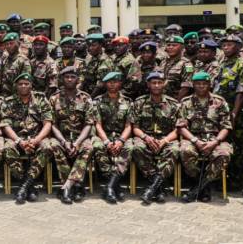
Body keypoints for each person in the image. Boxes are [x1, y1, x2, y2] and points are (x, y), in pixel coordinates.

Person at [177, 72, 233, 203]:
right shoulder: (186, 103)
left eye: (204, 84)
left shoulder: (220, 102)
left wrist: (215, 142)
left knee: (224, 154)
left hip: (216, 138)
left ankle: (198, 188)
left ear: (210, 85)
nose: (201, 86)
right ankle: (203, 185)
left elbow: (226, 126)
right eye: (198, 84)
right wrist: (195, 141)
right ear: (193, 85)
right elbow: (181, 127)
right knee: (185, 151)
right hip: (193, 138)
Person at [127, 72, 181, 205]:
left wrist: (165, 141)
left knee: (174, 149)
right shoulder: (139, 102)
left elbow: (178, 130)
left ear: (164, 84)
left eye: (159, 82)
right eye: (153, 83)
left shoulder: (173, 104)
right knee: (136, 147)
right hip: (145, 137)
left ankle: (152, 188)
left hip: (166, 138)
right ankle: (159, 187)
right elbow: (135, 128)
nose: (156, 85)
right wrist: (146, 138)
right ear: (148, 85)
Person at [0, 73, 53, 204]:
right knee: (7, 149)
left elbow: (48, 123)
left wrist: (37, 140)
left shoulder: (41, 99)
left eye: (26, 83)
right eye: (20, 84)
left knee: (47, 148)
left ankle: (24, 186)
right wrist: (19, 141)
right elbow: (5, 125)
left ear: (31, 85)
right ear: (16, 86)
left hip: (37, 136)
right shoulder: (8, 102)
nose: (23, 86)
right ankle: (29, 185)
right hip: (16, 137)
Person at [48, 67, 94, 204]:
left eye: (72, 77)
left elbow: (89, 123)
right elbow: (52, 124)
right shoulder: (54, 98)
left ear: (77, 80)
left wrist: (78, 142)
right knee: (54, 146)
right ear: (62, 79)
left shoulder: (86, 98)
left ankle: (66, 187)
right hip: (61, 137)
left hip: (80, 137)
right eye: (66, 77)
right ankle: (76, 186)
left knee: (88, 147)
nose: (69, 79)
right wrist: (63, 141)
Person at [215, 34, 243, 189]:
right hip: (222, 111)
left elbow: (241, 90)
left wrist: (234, 113)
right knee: (227, 143)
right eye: (224, 45)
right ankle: (230, 175)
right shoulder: (222, 62)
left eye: (230, 44)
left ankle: (240, 178)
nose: (226, 47)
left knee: (239, 145)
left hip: (236, 112)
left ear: (239, 47)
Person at [92, 72, 133, 204]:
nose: (112, 84)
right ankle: (116, 185)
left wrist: (121, 141)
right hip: (104, 135)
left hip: (122, 136)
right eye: (109, 82)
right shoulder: (98, 101)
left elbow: (128, 126)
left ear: (120, 83)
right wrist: (106, 142)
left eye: (115, 81)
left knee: (130, 147)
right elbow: (97, 125)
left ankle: (109, 187)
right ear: (105, 84)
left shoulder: (128, 101)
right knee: (97, 146)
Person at [161, 36, 194, 101]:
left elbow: (187, 86)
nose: (170, 47)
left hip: (177, 100)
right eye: (168, 45)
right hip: (163, 99)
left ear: (182, 47)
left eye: (174, 45)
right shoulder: (163, 62)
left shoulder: (187, 64)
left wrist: (176, 102)